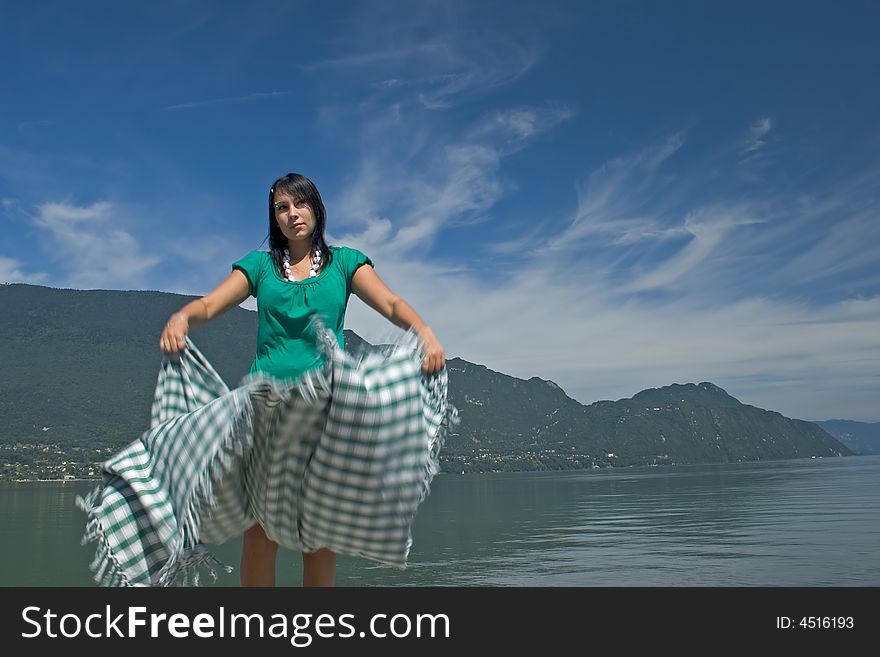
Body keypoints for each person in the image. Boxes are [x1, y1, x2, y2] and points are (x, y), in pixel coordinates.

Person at [158, 172, 446, 587]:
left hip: (325, 414)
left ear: (316, 208)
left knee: (318, 536)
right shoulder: (260, 268)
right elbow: (210, 303)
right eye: (282, 208)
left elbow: (390, 301)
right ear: (274, 218)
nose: (292, 214)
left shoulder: (345, 263)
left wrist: (423, 331)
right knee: (259, 533)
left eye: (300, 203)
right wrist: (183, 316)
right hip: (265, 412)